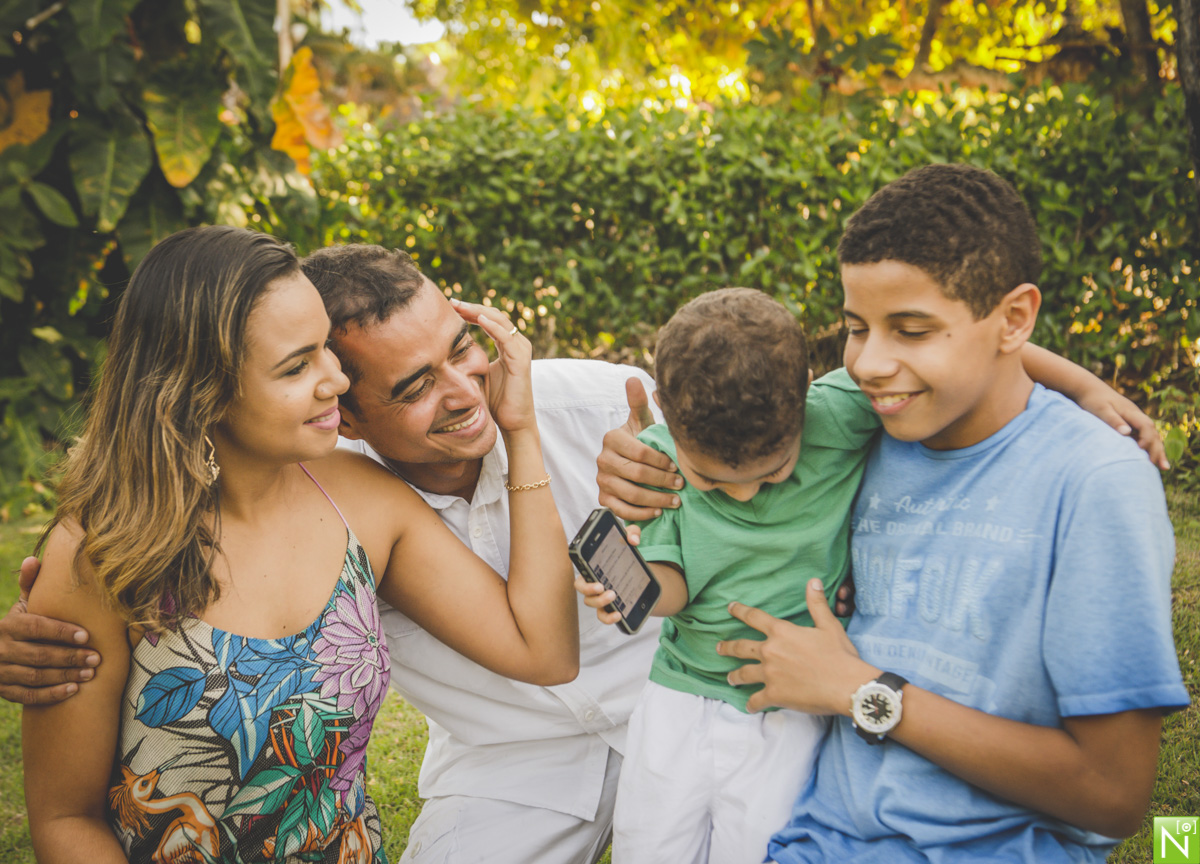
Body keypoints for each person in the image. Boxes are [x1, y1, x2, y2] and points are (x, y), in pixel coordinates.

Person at [1, 241, 1166, 863]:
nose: (467, 387)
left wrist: (1071, 381)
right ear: (348, 412)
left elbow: (818, 400)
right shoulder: (329, 488)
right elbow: (185, 574)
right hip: (515, 761)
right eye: (415, 386)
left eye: (465, 349)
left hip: (698, 697)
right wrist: (73, 608)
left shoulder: (595, 400)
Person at [21, 226, 578, 864]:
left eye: (325, 351)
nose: (336, 382)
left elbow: (544, 650)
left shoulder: (361, 502)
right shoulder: (104, 553)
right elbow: (66, 818)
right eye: (297, 366)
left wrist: (520, 431)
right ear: (200, 390)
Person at [702, 164, 1188, 863]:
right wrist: (644, 468)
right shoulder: (863, 432)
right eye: (855, 328)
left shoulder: (1094, 481)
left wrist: (861, 692)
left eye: (910, 329)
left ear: (1015, 318)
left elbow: (1112, 793)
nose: (868, 364)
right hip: (812, 841)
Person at [576, 287, 877, 864]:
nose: (742, 492)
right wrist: (629, 590)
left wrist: (1086, 386)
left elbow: (967, 359)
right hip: (678, 694)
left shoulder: (841, 412)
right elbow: (677, 584)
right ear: (663, 406)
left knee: (760, 846)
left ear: (806, 390)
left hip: (788, 699)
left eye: (774, 472)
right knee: (649, 844)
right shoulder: (658, 457)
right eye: (712, 481)